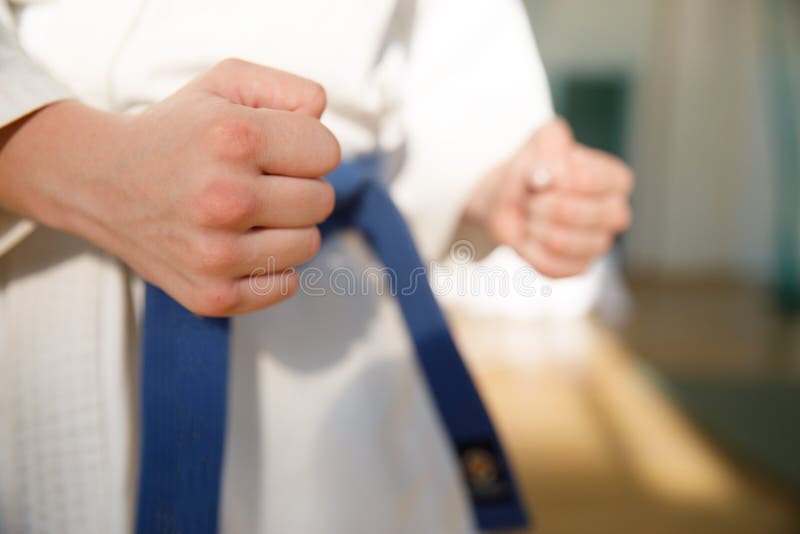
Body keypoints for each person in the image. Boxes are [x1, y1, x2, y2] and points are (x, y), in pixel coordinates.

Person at [0, 0, 633, 533]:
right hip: (61, 284)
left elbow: (445, 56)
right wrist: (78, 163)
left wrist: (495, 174)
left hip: (340, 326)